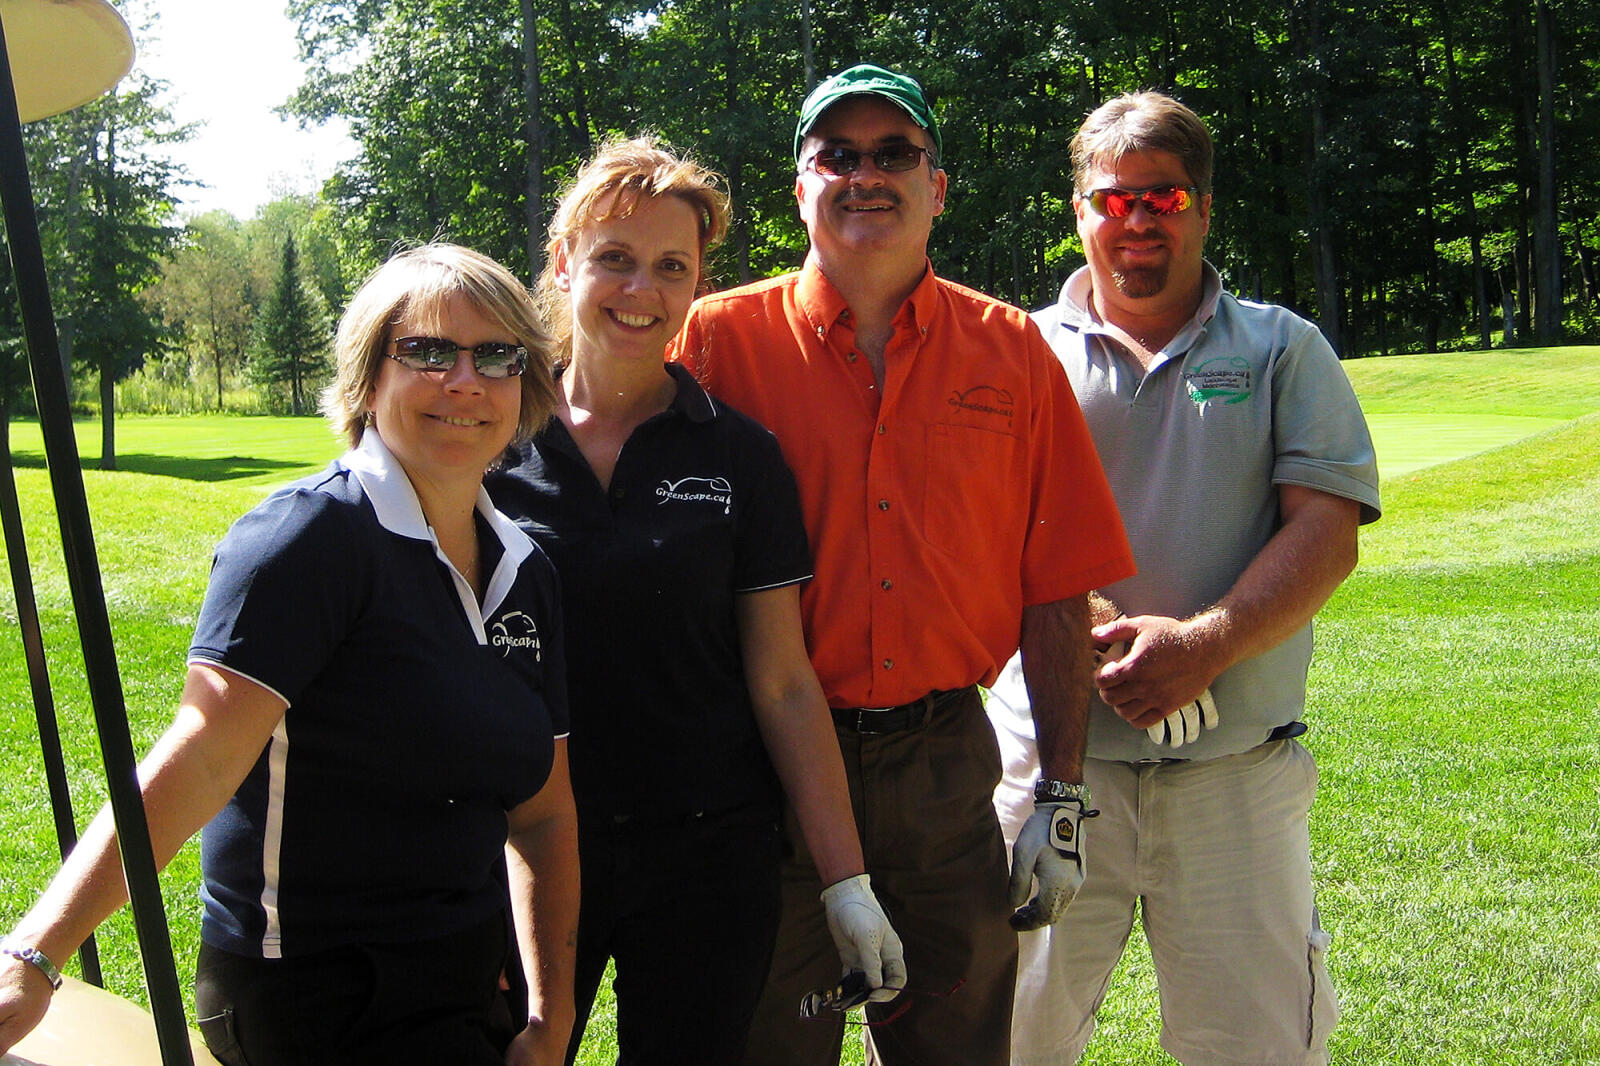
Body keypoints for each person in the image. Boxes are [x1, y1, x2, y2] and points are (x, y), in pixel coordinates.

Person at [0, 244, 580, 1066]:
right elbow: (198, 760)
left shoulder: (527, 569)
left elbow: (545, 812)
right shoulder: (307, 538)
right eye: (426, 351)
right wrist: (35, 953)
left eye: (496, 355)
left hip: (469, 980)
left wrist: (549, 1025)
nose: (465, 380)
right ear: (369, 376)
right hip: (318, 994)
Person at [672, 66, 1135, 1066]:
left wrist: (1058, 793)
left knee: (959, 1048)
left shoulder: (1010, 352)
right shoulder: (711, 343)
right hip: (763, 775)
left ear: (938, 184)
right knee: (765, 1048)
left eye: (894, 154)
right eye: (836, 155)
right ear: (800, 186)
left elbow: (1058, 587)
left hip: (941, 770)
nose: (864, 175)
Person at [485, 137, 904, 1066]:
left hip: (707, 858)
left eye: (672, 267)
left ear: (699, 283)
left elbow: (784, 683)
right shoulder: (488, 435)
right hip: (519, 847)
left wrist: (846, 880)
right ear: (562, 263)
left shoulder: (738, 455)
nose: (643, 290)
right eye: (615, 259)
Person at [987, 91, 1382, 1065]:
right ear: (1078, 209)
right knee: (992, 1044)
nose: (1135, 223)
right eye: (1112, 200)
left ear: (1202, 207)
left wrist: (1201, 646)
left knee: (1255, 1048)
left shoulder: (1280, 347)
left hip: (1232, 781)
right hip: (1045, 776)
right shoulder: (1010, 356)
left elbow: (1325, 534)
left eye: (1160, 200)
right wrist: (1091, 628)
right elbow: (966, 531)